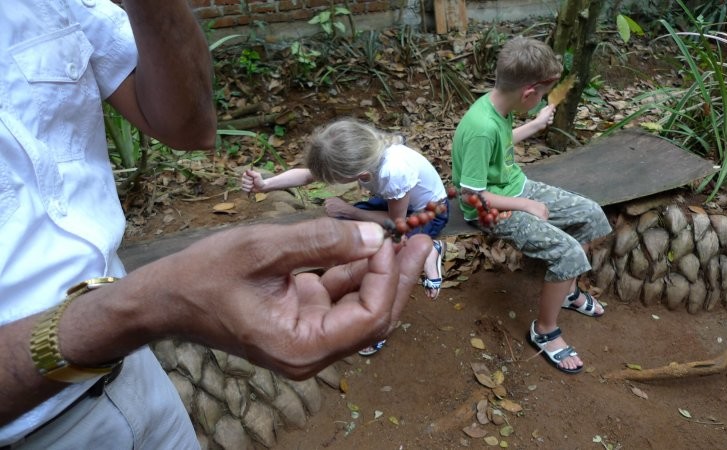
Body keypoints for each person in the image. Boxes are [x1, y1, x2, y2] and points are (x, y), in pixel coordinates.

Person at [0, 1, 430, 448]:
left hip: (131, 373)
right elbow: (309, 178)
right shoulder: (372, 165)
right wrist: (141, 307)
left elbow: (191, 127)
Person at [451, 36, 612, 374]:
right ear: (528, 93)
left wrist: (534, 126)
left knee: (591, 215)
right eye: (539, 95)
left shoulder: (499, 105)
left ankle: (566, 292)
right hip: (489, 209)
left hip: (514, 186)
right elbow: (470, 195)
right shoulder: (480, 128)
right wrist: (525, 205)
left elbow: (501, 143)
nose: (539, 101)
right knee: (569, 253)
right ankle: (544, 331)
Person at [242, 118, 450, 355]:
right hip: (396, 203)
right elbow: (310, 175)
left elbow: (397, 226)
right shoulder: (364, 152)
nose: (327, 182)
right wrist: (265, 184)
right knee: (342, 226)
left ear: (360, 174)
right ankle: (414, 252)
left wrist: (350, 211)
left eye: (334, 179)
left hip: (429, 213)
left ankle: (427, 251)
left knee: (391, 253)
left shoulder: (393, 172)